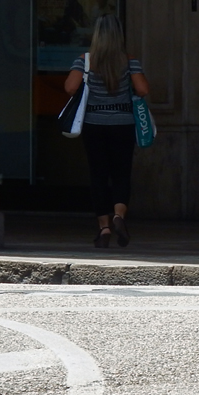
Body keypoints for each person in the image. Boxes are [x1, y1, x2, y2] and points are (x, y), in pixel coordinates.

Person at [64, 14, 150, 248]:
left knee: (98, 175)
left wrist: (88, 83)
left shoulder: (85, 61)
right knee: (121, 173)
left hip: (94, 125)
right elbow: (143, 89)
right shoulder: (129, 60)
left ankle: (103, 228)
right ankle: (119, 216)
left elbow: (70, 88)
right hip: (122, 124)